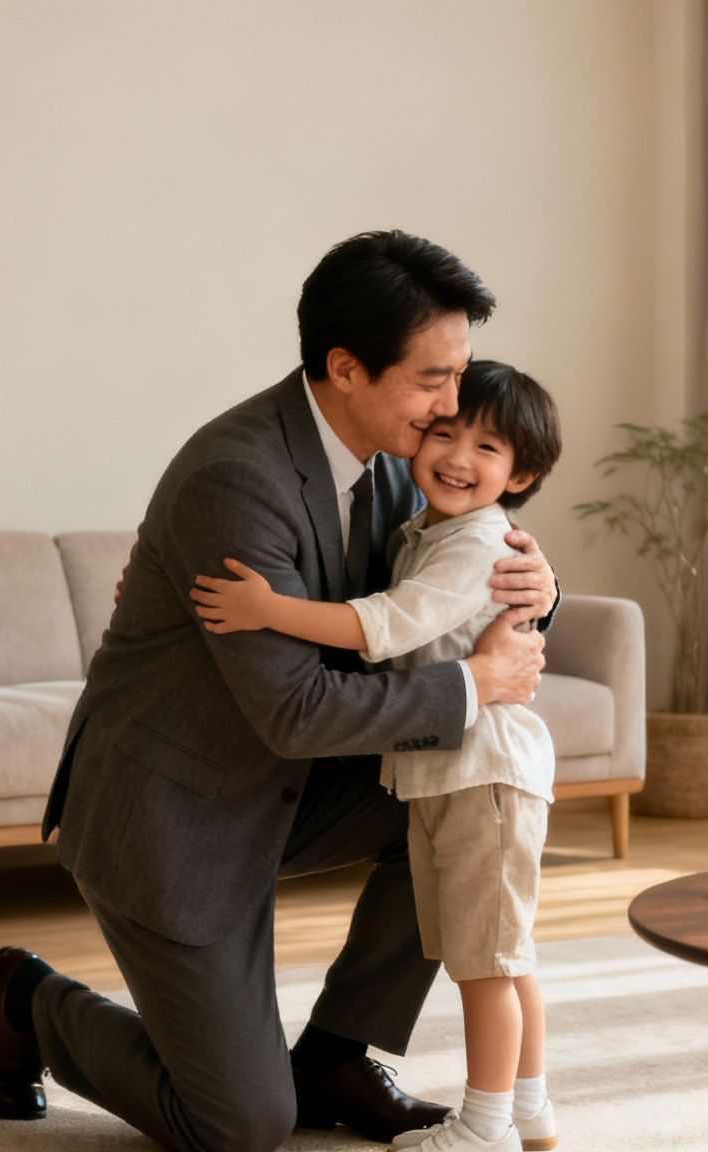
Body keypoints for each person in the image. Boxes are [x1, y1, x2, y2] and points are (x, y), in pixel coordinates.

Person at [0, 232, 555, 1152]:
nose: (453, 405)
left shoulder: (404, 460)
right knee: (238, 1127)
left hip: (289, 787)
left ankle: (334, 1056)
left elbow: (457, 573)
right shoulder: (238, 477)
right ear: (347, 368)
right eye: (434, 379)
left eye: (458, 374)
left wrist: (540, 591)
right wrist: (475, 683)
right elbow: (297, 711)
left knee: (465, 794)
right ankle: (28, 1002)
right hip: (174, 817)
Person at [190, 360, 565, 1152]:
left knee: (486, 967)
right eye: (445, 432)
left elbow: (386, 625)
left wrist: (268, 608)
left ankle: (485, 1127)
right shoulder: (426, 527)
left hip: (482, 774)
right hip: (459, 771)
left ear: (521, 474)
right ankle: (529, 1109)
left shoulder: (476, 542)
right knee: (504, 956)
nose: (456, 456)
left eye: (485, 447)